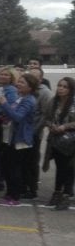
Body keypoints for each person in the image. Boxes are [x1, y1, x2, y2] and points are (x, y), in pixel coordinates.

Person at [0, 73, 38, 206]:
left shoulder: (29, 100)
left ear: (30, 88)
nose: (18, 84)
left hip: (20, 140)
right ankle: (9, 194)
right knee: (7, 167)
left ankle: (15, 196)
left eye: (22, 83)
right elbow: (11, 115)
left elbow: (18, 117)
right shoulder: (19, 98)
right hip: (10, 137)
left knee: (14, 169)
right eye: (18, 81)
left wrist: (4, 104)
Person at [42, 77, 75, 211]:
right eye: (59, 86)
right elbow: (47, 118)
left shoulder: (74, 103)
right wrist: (51, 126)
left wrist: (65, 126)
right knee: (60, 168)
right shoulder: (54, 102)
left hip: (71, 141)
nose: (61, 88)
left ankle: (66, 196)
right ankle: (57, 193)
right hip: (56, 140)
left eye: (65, 87)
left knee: (69, 169)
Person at [26, 66, 53, 199]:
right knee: (22, 161)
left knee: (32, 161)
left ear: (41, 78)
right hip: (24, 132)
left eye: (35, 76)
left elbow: (46, 114)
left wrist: (35, 130)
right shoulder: (26, 90)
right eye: (29, 75)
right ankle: (24, 186)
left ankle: (32, 189)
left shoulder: (45, 93)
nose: (32, 77)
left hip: (35, 133)